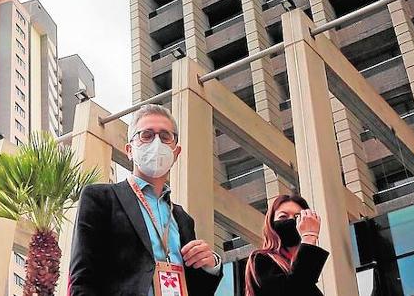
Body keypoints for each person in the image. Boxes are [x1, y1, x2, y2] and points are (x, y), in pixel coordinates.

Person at [69, 104, 223, 296]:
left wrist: (210, 266)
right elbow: (82, 279)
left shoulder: (182, 218)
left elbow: (196, 290)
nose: (156, 142)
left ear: (176, 152)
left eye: (165, 136)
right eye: (147, 135)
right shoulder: (101, 199)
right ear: (129, 150)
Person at [243, 195, 328, 296]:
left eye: (297, 217)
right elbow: (293, 290)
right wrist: (309, 237)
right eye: (283, 216)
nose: (291, 221)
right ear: (271, 223)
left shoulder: (307, 273)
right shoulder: (261, 260)